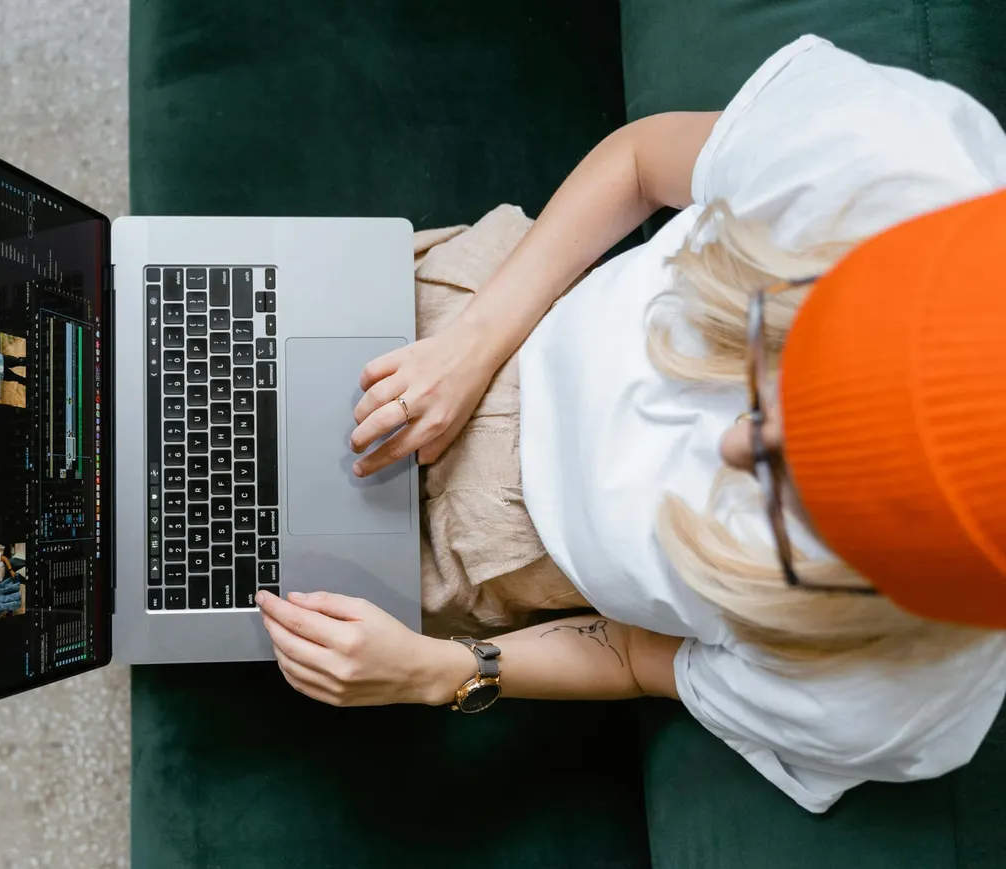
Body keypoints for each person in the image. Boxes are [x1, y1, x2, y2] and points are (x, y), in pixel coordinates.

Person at [255, 35, 1006, 813]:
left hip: (488, 552)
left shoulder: (894, 703)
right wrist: (471, 346)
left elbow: (639, 657)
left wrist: (440, 671)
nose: (732, 443)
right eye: (779, 374)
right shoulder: (899, 163)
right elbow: (642, 162)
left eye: (796, 503)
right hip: (492, 314)